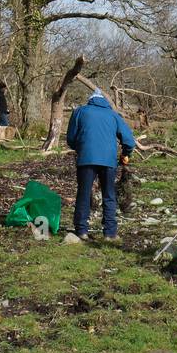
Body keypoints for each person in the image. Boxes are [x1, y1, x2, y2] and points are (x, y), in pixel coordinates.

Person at [66, 88, 136, 243]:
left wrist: (80, 147)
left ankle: (82, 230)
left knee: (83, 194)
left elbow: (70, 138)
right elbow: (129, 141)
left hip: (86, 158)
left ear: (90, 99)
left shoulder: (80, 112)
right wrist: (126, 154)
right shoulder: (113, 115)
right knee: (109, 195)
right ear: (104, 101)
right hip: (109, 160)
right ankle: (110, 233)